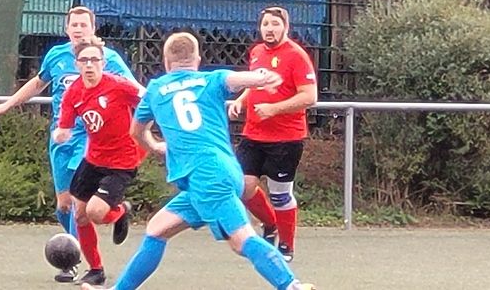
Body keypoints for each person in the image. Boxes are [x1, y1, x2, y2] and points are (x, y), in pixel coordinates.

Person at [82, 32, 315, 290]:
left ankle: (291, 285)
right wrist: (262, 78)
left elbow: (136, 132)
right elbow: (238, 79)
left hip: (207, 176)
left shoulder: (156, 89)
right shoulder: (210, 79)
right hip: (218, 172)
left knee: (241, 239)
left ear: (166, 61)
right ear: (198, 60)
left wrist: (156, 146)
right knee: (157, 228)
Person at [0, 6, 139, 283]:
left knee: (80, 205)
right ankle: (114, 217)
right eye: (74, 25)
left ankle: (75, 263)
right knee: (64, 205)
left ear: (93, 28)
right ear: (67, 29)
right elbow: (37, 84)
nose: (78, 29)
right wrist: (7, 104)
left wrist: (138, 134)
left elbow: (134, 90)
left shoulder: (107, 59)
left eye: (83, 25)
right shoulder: (56, 56)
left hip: (90, 139)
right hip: (62, 137)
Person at [52, 37, 156, 287]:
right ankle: (96, 270)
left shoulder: (119, 86)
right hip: (93, 159)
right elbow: (64, 126)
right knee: (80, 215)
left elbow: (150, 102)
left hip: (122, 161)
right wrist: (61, 134)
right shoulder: (73, 92)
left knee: (95, 212)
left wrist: (144, 132)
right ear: (76, 64)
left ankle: (120, 211)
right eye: (84, 60)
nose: (89, 65)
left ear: (103, 62)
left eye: (94, 60)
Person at [227, 6, 317, 261]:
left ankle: (286, 246)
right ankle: (270, 224)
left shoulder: (296, 56)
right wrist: (241, 100)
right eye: (266, 24)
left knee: (280, 195)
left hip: (286, 139)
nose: (269, 29)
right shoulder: (257, 52)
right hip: (253, 135)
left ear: (285, 27)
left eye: (275, 24)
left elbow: (309, 96)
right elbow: (256, 84)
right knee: (243, 186)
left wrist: (274, 109)